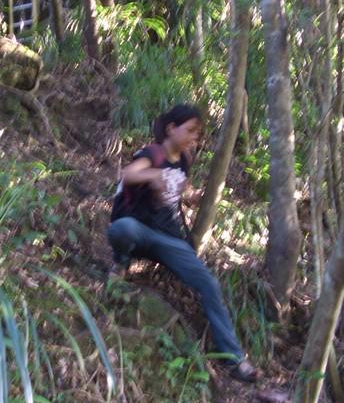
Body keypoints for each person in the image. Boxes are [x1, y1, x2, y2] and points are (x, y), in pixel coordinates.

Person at [107, 104, 258, 383]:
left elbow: (180, 191)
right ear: (171, 128)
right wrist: (153, 175)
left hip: (169, 237)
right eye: (190, 130)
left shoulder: (185, 159)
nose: (194, 137)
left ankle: (235, 359)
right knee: (122, 229)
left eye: (198, 133)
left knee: (208, 284)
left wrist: (195, 196)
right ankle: (122, 261)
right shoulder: (153, 153)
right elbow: (129, 174)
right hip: (139, 229)